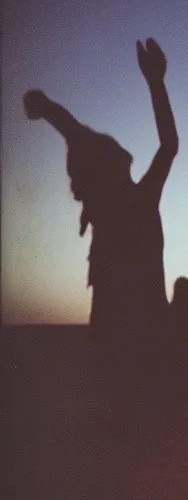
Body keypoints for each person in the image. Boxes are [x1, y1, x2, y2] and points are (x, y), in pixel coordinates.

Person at [22, 39, 178, 360]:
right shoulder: (138, 200)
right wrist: (155, 84)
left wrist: (48, 109)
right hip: (140, 338)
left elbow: (75, 132)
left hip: (121, 337)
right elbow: (168, 146)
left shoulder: (110, 210)